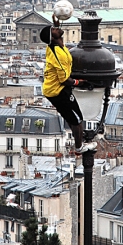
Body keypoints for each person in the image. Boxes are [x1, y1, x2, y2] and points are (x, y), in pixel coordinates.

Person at [41, 15, 95, 153]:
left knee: (74, 117)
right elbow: (65, 80)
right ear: (52, 38)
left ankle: (79, 139)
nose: (55, 29)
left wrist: (56, 25)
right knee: (77, 120)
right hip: (57, 91)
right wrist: (80, 82)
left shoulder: (55, 45)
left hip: (56, 89)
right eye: (53, 30)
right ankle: (79, 147)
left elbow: (56, 37)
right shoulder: (59, 54)